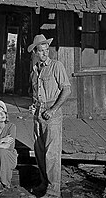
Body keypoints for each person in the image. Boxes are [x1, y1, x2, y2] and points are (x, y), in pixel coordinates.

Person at [28, 34, 71, 198]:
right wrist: (32, 106)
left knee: (51, 153)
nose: (45, 53)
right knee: (39, 151)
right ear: (35, 53)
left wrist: (53, 109)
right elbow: (33, 92)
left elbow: (67, 89)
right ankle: (44, 183)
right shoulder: (34, 71)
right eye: (41, 50)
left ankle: (53, 191)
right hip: (38, 112)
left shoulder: (56, 66)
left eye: (47, 50)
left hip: (52, 113)